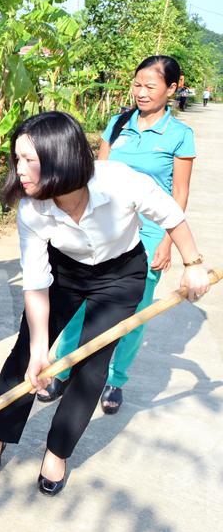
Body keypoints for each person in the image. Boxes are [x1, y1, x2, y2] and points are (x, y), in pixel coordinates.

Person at [0, 111, 209, 496]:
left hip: (121, 274)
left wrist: (193, 264)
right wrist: (38, 351)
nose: (21, 170)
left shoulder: (119, 182)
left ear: (62, 158)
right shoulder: (32, 208)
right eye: (18, 159)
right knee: (23, 357)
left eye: (31, 159)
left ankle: (57, 451)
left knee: (91, 364)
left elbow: (172, 216)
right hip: (65, 271)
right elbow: (35, 281)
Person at [38, 56, 194, 414]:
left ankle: (115, 379)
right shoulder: (118, 123)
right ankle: (63, 368)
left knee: (135, 310)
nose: (141, 93)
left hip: (153, 229)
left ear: (171, 89)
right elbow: (95, 175)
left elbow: (179, 194)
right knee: (84, 301)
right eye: (137, 85)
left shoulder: (179, 135)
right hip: (108, 224)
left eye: (150, 87)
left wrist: (169, 241)